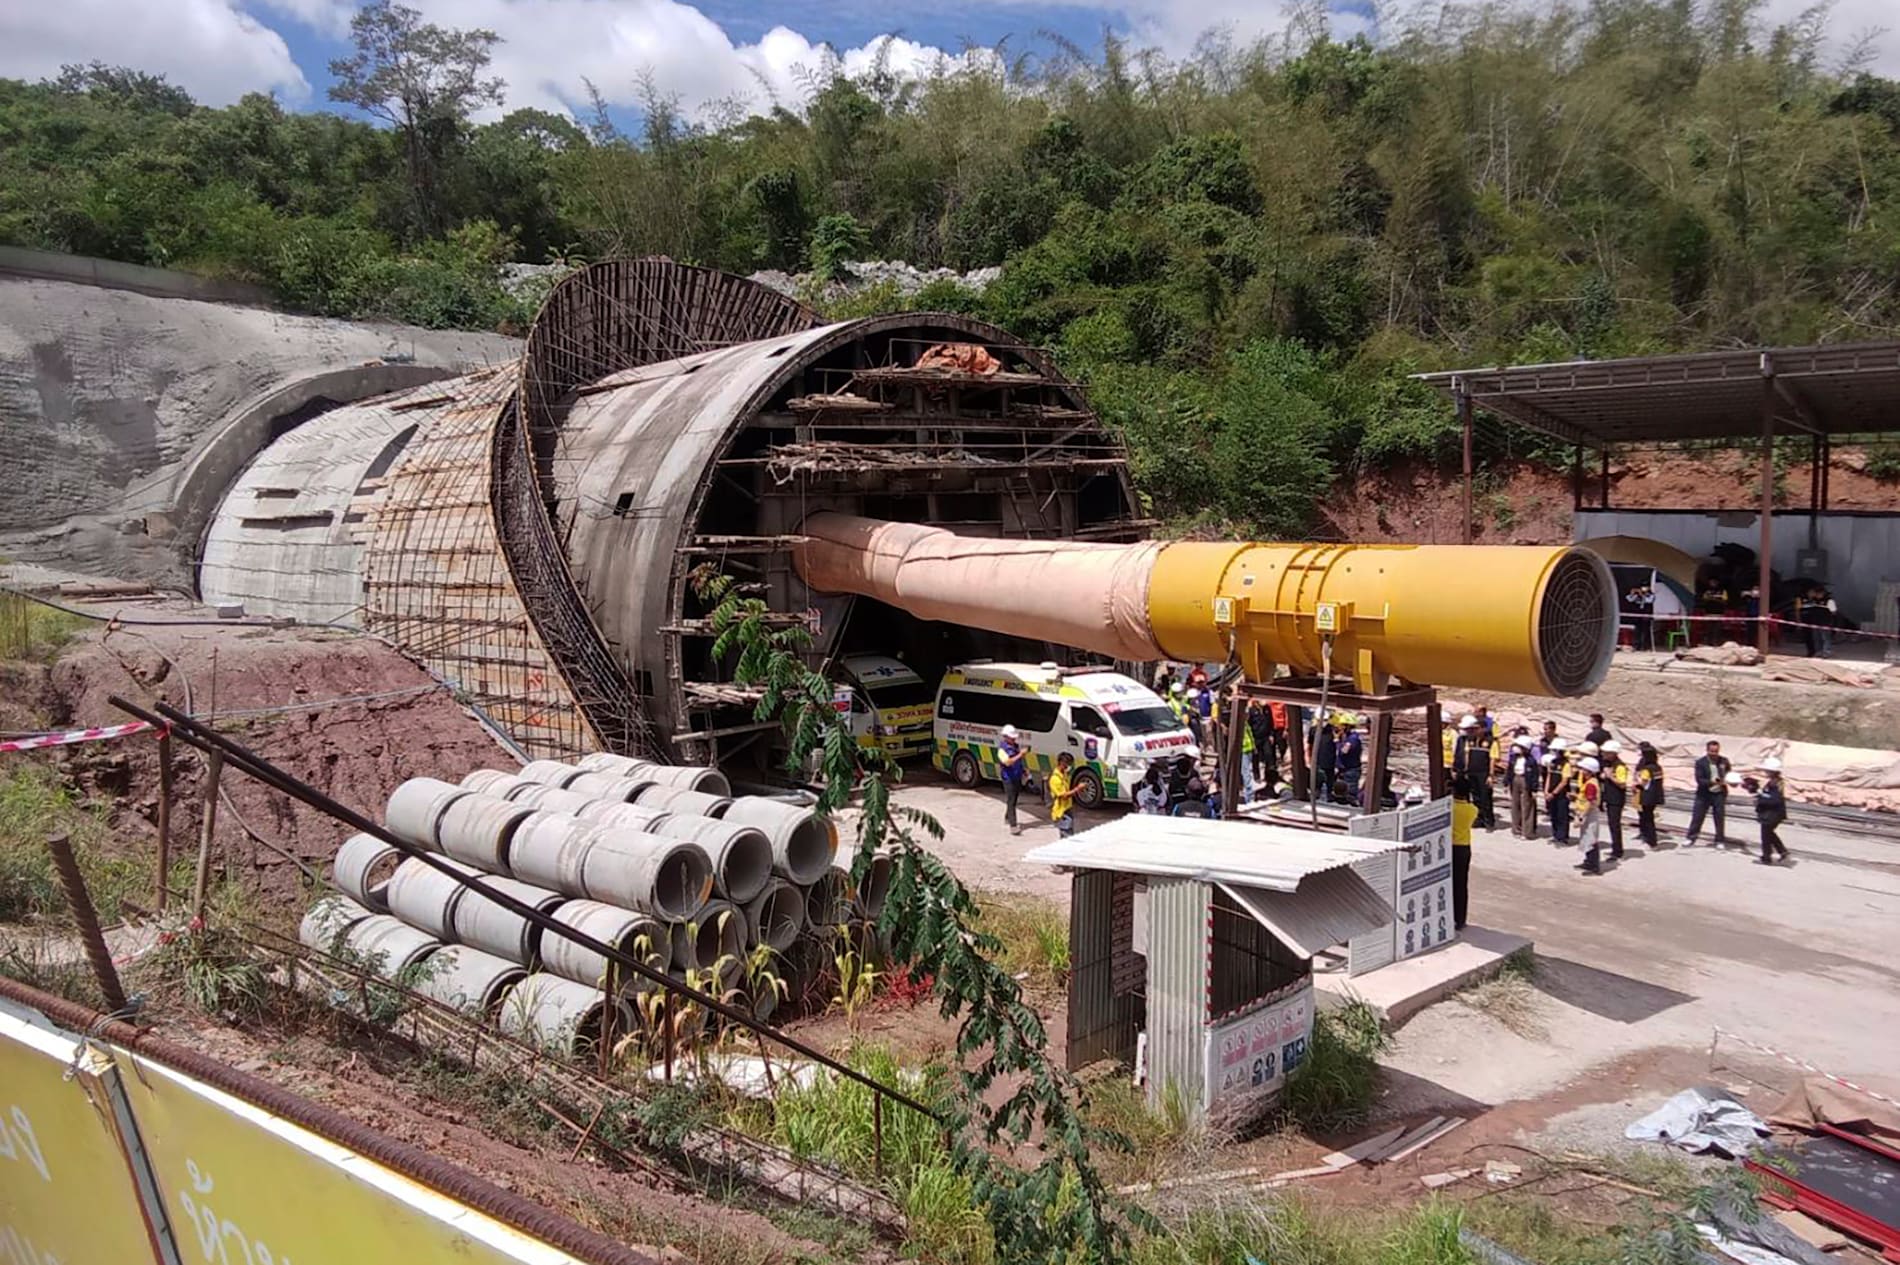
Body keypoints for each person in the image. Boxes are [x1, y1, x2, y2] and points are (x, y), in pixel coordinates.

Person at [1453, 714, 1498, 830]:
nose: (1474, 731)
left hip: (1484, 773)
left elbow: (1493, 759)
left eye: (1477, 728)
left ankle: (1489, 821)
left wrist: (1491, 775)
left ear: (1483, 728)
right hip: (1472, 772)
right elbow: (1467, 755)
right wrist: (1466, 769)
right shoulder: (1470, 740)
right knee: (1476, 797)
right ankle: (1479, 818)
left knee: (1485, 797)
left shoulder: (1491, 741)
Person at [1687, 739, 1732, 846]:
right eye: (1712, 751)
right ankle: (1691, 837)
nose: (1714, 754)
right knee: (1698, 816)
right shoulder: (1700, 762)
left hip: (1719, 794)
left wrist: (1730, 780)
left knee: (1719, 817)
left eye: (1716, 751)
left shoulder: (1724, 761)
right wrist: (1712, 782)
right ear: (1707, 751)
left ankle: (1719, 840)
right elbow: (1699, 779)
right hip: (1704, 794)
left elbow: (1729, 773)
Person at [1451, 773, 1477, 929]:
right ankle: (1461, 919)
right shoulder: (1472, 809)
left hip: (1450, 847)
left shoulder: (1450, 808)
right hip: (1464, 847)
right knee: (1461, 885)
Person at [1754, 757, 1789, 864]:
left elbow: (1774, 799)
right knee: (1769, 833)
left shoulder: (1775, 783)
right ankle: (1781, 851)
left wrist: (1761, 799)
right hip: (1773, 813)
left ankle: (1767, 857)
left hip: (1772, 813)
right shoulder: (1775, 782)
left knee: (1766, 835)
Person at [1573, 754, 1604, 874]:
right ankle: (1588, 861)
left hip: (1589, 813)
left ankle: (1594, 865)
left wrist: (1582, 816)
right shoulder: (1590, 782)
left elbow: (1591, 802)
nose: (1581, 771)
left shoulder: (1591, 784)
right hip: (1586, 812)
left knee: (1591, 838)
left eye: (1583, 769)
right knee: (1587, 837)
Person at [1599, 740, 1629, 860]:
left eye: (1606, 752)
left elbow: (1622, 784)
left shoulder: (1619, 766)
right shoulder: (1609, 764)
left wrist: (1610, 776)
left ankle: (1617, 851)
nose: (1603, 754)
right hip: (1610, 797)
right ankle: (1615, 848)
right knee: (1612, 824)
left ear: (1613, 753)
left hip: (1616, 799)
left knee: (1615, 825)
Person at [1507, 734, 1539, 839]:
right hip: (1515, 779)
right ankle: (1516, 829)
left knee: (1527, 806)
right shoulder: (1513, 758)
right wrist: (1507, 782)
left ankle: (1527, 832)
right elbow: (1509, 770)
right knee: (1515, 805)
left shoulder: (1531, 761)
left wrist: (1534, 788)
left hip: (1526, 780)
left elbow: (1535, 775)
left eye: (1519, 746)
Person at [998, 725, 1028, 835]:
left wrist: (1023, 770)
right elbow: (1008, 762)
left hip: (1017, 776)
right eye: (1012, 737)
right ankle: (1013, 826)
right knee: (1011, 800)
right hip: (1008, 778)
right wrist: (1020, 755)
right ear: (1005, 737)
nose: (1014, 739)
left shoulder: (1015, 746)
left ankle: (1007, 817)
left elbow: (1017, 762)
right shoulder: (1002, 750)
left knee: (1014, 799)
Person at [1634, 742, 1665, 847]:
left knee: (1647, 819)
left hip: (1647, 796)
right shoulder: (1658, 767)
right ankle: (1650, 839)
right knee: (1649, 817)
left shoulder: (1646, 769)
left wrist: (1636, 786)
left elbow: (1643, 782)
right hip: (1656, 795)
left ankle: (1651, 841)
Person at [1543, 742, 1572, 845]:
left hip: (1561, 794)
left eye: (1555, 750)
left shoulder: (1566, 764)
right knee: (1553, 814)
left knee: (1562, 815)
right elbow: (1549, 776)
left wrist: (1554, 793)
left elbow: (1564, 781)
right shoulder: (1552, 762)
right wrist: (1546, 791)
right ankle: (1555, 835)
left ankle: (1563, 837)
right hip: (1551, 792)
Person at [1335, 715, 1364, 806]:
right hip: (1344, 769)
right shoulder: (1347, 738)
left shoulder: (1352, 739)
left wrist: (1337, 743)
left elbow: (1344, 751)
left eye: (1342, 726)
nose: (1340, 728)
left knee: (1350, 793)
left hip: (1351, 770)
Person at [1048, 751, 1077, 837]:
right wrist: (1077, 789)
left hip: (1067, 807)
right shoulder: (1055, 779)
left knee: (1068, 832)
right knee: (1067, 834)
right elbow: (1063, 796)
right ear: (1061, 762)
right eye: (1068, 764)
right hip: (1061, 811)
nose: (1069, 766)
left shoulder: (1063, 774)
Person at [1311, 713, 1337, 804]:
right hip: (1317, 761)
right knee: (1317, 783)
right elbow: (1309, 744)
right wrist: (1308, 758)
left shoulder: (1333, 730)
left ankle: (1330, 799)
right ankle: (1315, 799)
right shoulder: (1313, 730)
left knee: (1330, 783)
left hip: (1330, 762)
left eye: (1325, 720)